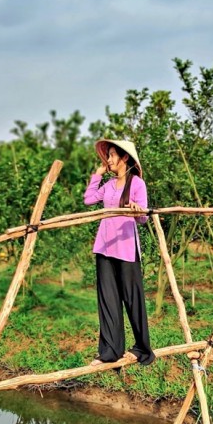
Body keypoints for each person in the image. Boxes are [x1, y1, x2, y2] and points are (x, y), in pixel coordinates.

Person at [83, 139, 155, 367]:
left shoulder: (137, 184)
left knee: (132, 298)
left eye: (113, 155)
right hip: (104, 247)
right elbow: (88, 200)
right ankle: (110, 351)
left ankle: (142, 348)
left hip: (126, 248)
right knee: (108, 299)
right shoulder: (108, 185)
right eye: (109, 155)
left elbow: (143, 218)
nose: (109, 159)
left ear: (125, 158)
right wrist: (97, 175)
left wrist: (137, 210)